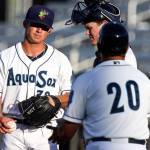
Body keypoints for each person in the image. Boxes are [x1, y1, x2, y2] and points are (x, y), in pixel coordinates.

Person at [50, 22, 150, 150]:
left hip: (102, 145)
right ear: (126, 48)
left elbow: (69, 129)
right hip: (136, 146)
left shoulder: (86, 79)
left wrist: (58, 133)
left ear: (100, 46)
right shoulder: (144, 81)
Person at [0, 4, 72, 150]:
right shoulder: (6, 57)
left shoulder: (60, 60)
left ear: (50, 30)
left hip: (45, 132)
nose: (39, 30)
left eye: (44, 27)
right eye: (35, 24)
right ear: (25, 24)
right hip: (13, 128)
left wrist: (54, 100)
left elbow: (70, 96)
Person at [66, 0, 137, 68]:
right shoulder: (108, 54)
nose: (86, 33)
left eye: (90, 28)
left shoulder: (119, 59)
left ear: (104, 25)